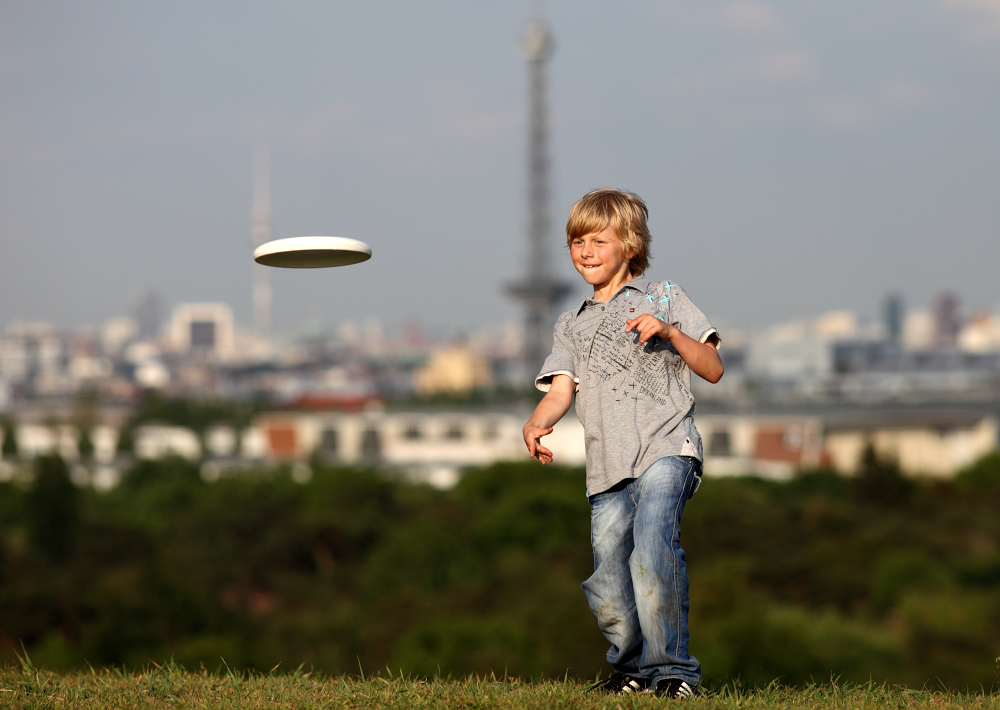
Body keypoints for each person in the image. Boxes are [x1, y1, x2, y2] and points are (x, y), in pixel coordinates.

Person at [522, 188, 723, 699]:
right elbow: (561, 390)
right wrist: (536, 422)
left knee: (653, 546)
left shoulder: (665, 297)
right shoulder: (571, 323)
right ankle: (631, 668)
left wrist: (671, 333)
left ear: (629, 245)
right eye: (576, 242)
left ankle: (674, 671)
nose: (585, 251)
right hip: (607, 467)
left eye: (597, 240)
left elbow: (713, 368)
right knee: (610, 581)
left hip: (667, 449)